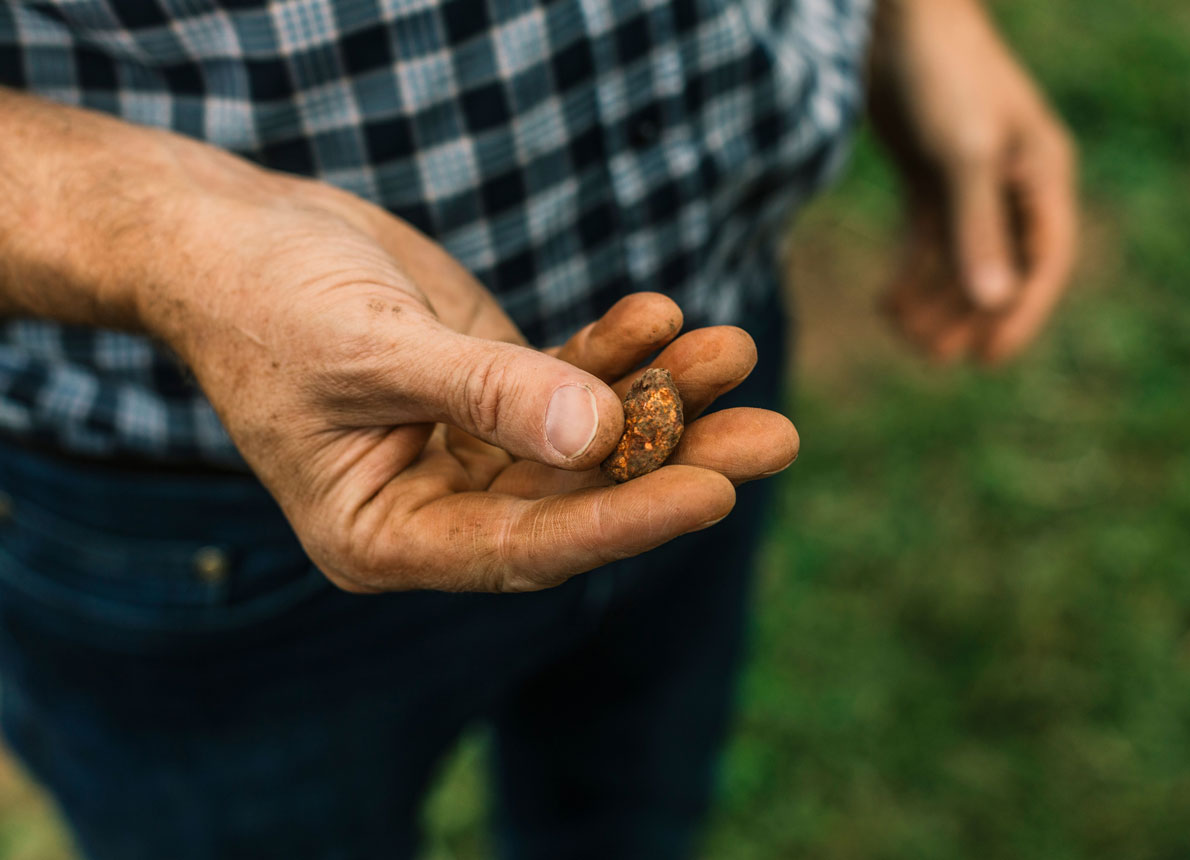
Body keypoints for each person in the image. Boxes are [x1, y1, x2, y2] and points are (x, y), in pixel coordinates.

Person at [0, 0, 1075, 855]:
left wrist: (924, 12)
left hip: (710, 313)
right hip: (195, 504)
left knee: (631, 811)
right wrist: (161, 235)